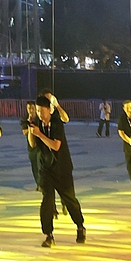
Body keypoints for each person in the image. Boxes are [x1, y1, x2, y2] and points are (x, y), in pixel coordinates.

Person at [30, 92, 86, 247]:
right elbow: (33, 144)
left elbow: (56, 145)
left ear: (49, 110)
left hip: (62, 168)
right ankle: (48, 235)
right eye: (38, 111)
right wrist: (31, 131)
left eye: (42, 111)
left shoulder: (56, 123)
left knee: (69, 200)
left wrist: (39, 134)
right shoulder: (37, 122)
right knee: (47, 200)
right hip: (46, 168)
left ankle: (80, 226)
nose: (40, 114)